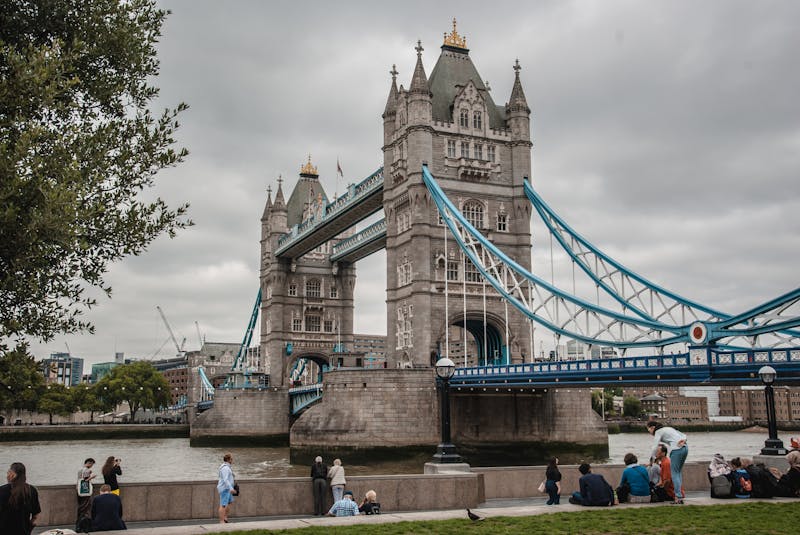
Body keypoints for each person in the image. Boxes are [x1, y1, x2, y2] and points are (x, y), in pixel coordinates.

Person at [647, 421, 687, 504]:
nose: (649, 432)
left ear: (653, 428)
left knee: (675, 474)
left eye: (649, 430)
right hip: (685, 448)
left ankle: (678, 497)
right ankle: (679, 495)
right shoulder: (668, 428)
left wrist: (651, 459)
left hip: (676, 450)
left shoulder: (658, 431)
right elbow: (683, 435)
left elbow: (654, 447)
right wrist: (683, 441)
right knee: (678, 473)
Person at [0, 462, 41, 535]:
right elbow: (36, 516)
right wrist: (29, 528)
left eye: (8, 472)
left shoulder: (2, 490)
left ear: (12, 474)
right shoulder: (31, 490)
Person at [217, 453, 238, 524]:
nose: (232, 460)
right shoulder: (225, 468)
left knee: (229, 502)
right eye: (232, 459)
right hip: (225, 489)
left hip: (228, 489)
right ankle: (222, 521)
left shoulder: (228, 467)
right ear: (228, 459)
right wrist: (231, 488)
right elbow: (225, 479)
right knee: (223, 505)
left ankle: (225, 518)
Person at [76, 458, 96, 530]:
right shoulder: (86, 470)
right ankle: (83, 526)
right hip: (85, 492)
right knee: (85, 509)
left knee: (81, 508)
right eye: (92, 464)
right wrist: (92, 477)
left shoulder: (80, 469)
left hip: (79, 491)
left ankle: (78, 525)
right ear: (89, 463)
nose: (91, 466)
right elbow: (85, 480)